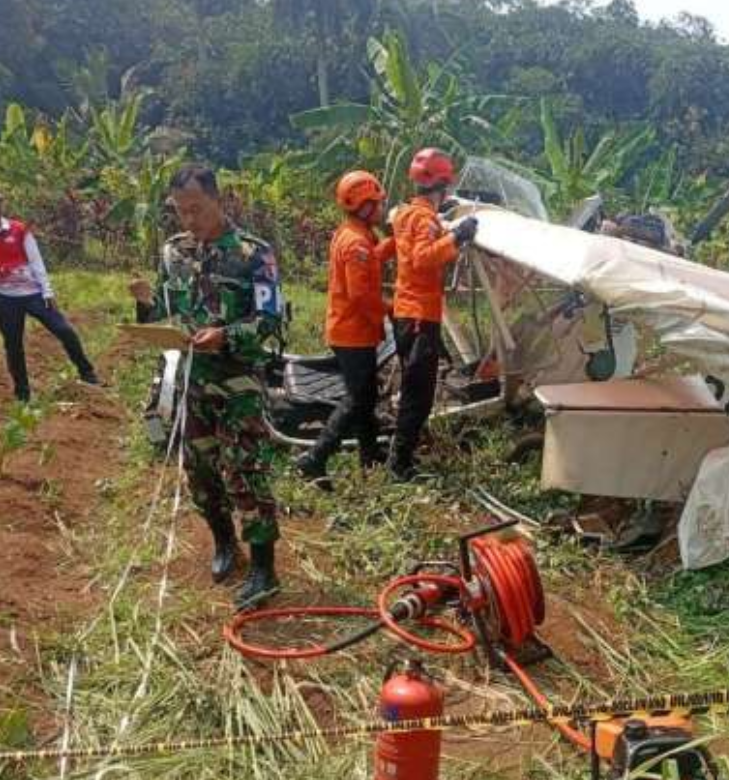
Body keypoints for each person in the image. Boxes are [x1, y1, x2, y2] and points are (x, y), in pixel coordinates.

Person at [129, 165, 285, 611]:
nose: (189, 220)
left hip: (237, 382)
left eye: (196, 209)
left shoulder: (254, 253)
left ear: (219, 199)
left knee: (246, 471)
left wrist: (226, 335)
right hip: (191, 380)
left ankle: (263, 569)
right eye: (180, 211)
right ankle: (224, 543)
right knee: (199, 472)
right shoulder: (174, 251)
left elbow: (269, 320)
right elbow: (167, 306)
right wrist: (146, 303)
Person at [295, 171, 395, 481]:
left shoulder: (355, 233)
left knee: (365, 395)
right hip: (353, 333)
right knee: (357, 398)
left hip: (349, 329)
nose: (381, 208)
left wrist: (398, 241)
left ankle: (370, 455)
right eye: (377, 203)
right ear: (364, 206)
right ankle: (315, 456)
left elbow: (373, 260)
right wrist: (394, 310)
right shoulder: (356, 243)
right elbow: (361, 296)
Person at [386, 148, 478, 481]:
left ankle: (401, 458)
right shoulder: (424, 219)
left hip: (405, 313)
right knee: (419, 396)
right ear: (443, 185)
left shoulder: (407, 213)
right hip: (420, 316)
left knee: (415, 390)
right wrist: (457, 234)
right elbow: (424, 257)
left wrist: (444, 226)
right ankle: (399, 466)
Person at [0, 189, 100, 402]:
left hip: (33, 293)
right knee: (13, 344)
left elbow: (36, 261)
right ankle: (23, 393)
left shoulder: (19, 230)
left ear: (1, 209)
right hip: (3, 297)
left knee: (64, 330)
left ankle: (87, 372)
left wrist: (47, 291)